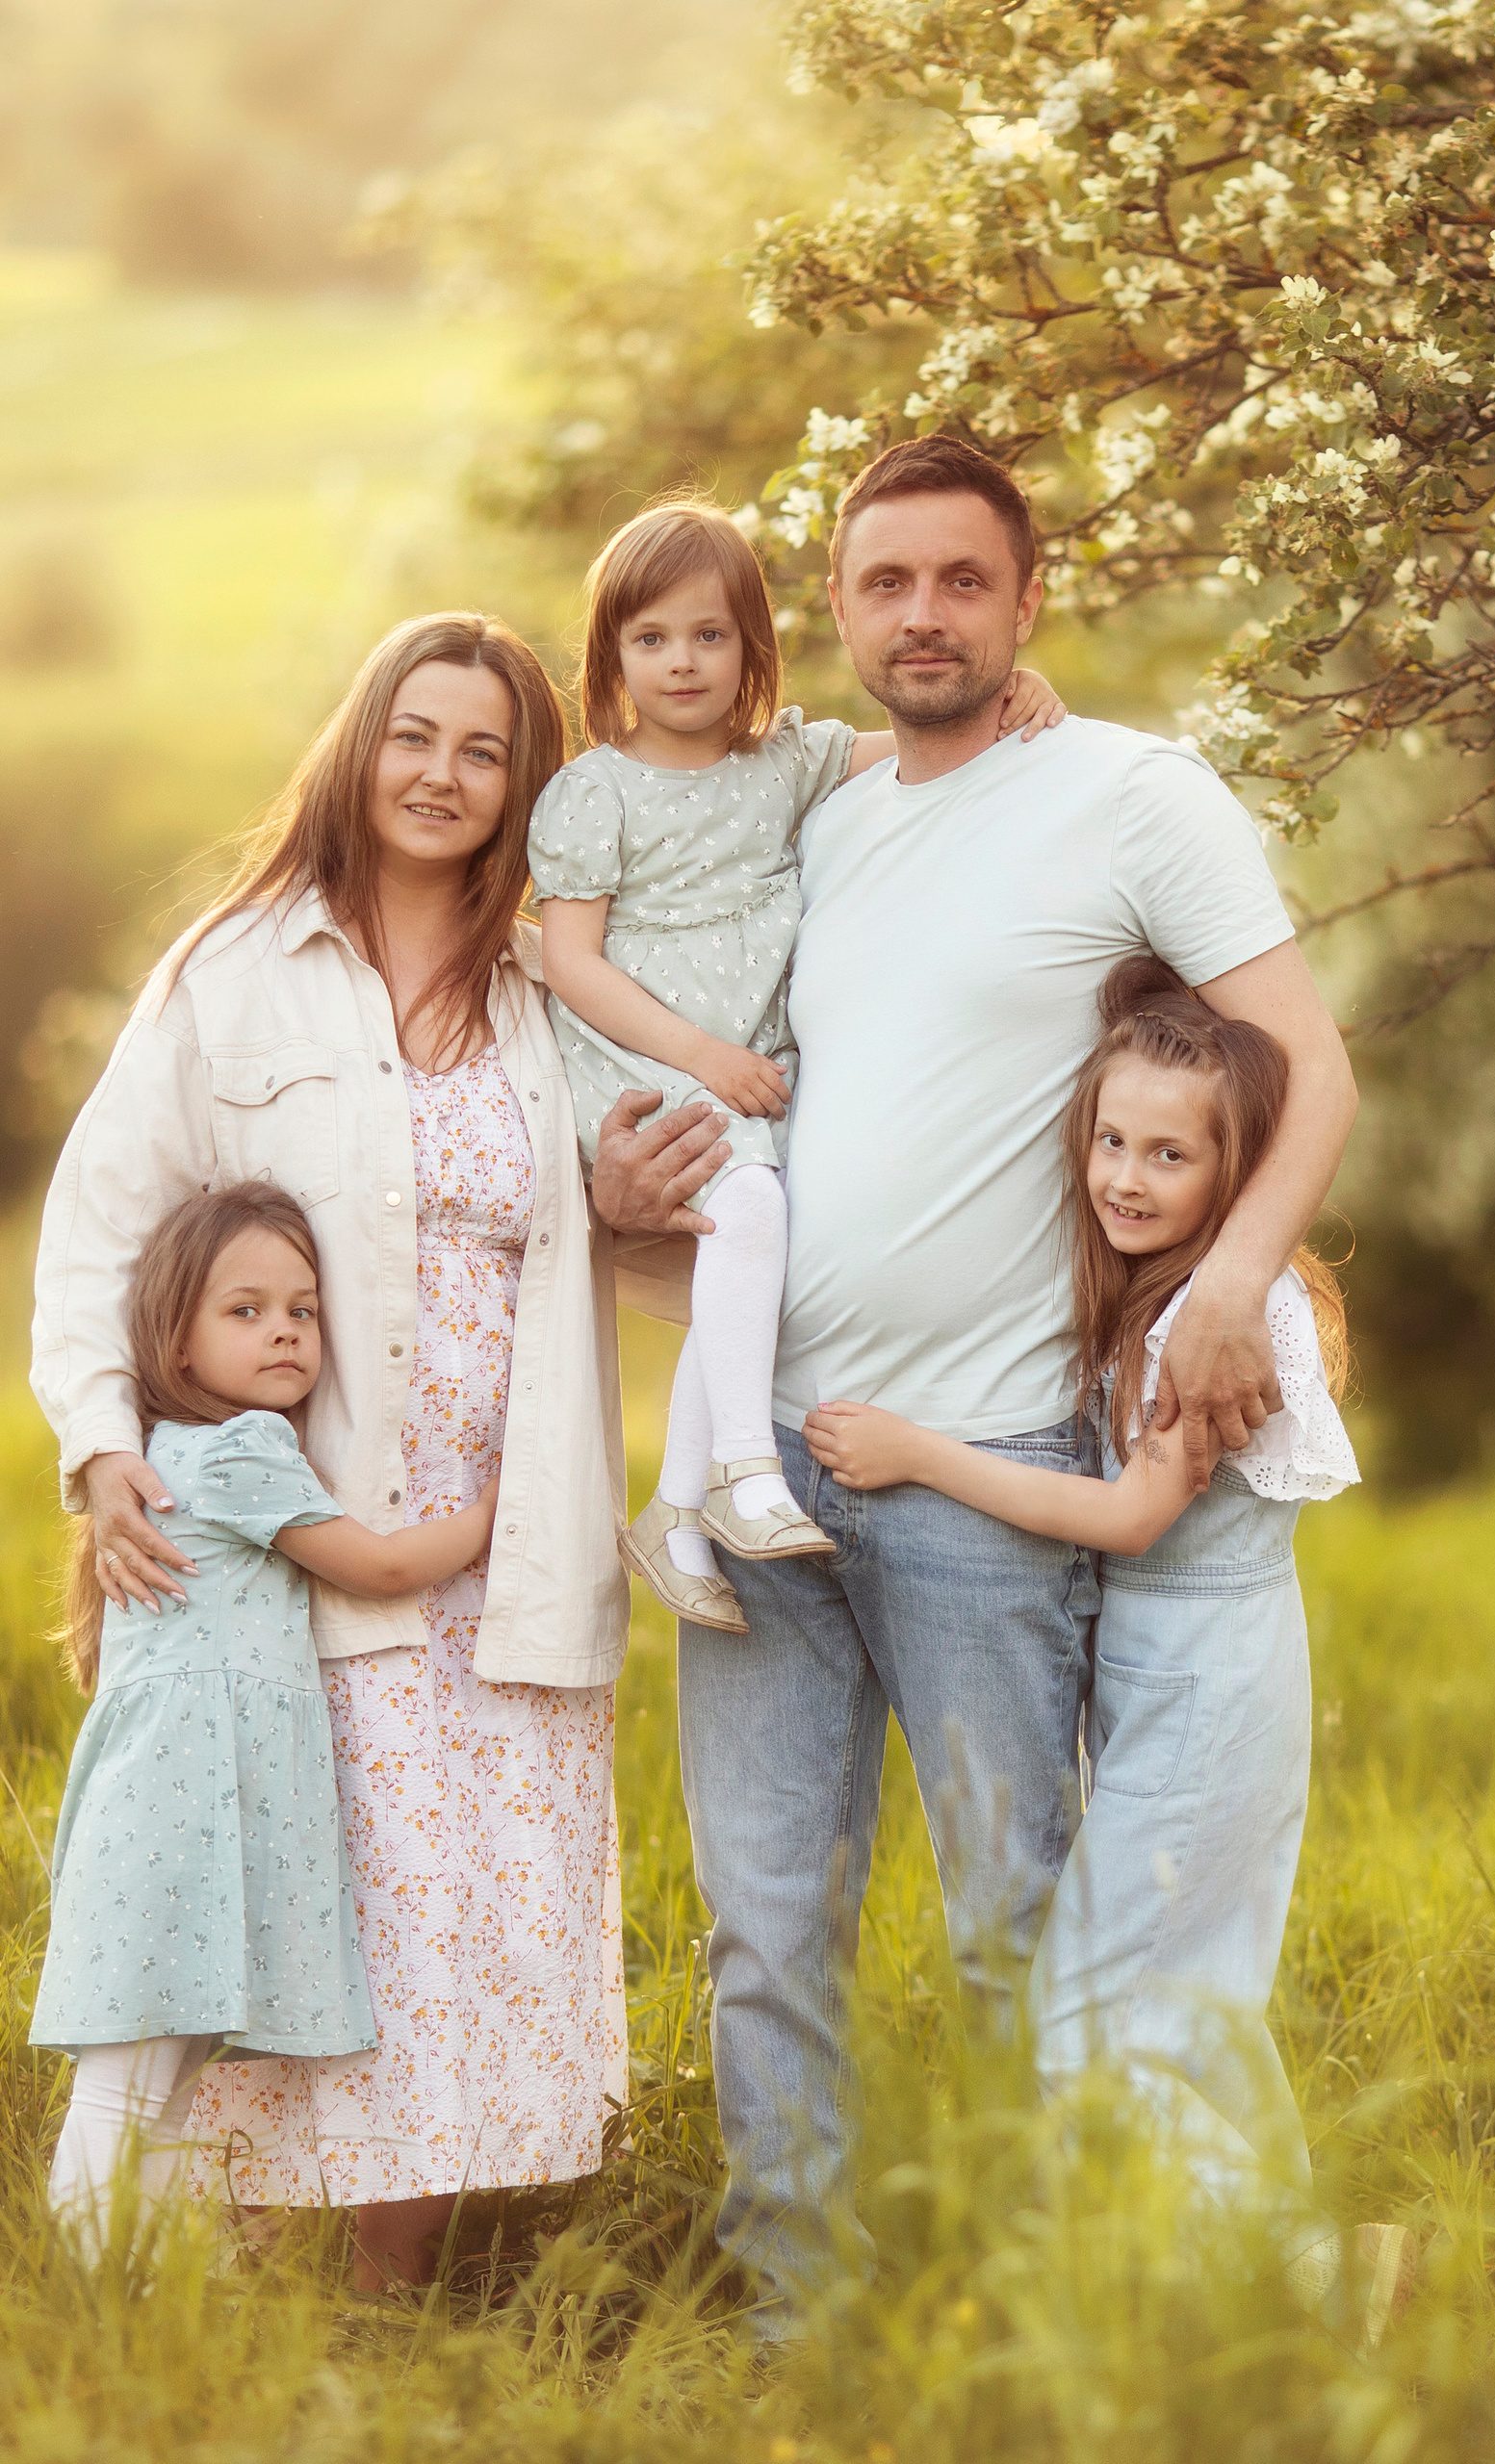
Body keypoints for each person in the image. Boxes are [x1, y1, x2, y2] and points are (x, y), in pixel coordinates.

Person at [587, 432, 1358, 2326]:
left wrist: (1232, 1284)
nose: (919, 613)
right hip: (766, 1452)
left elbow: (1308, 1067)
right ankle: (800, 2314)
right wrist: (616, 1198)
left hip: (987, 1467)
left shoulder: (1128, 791)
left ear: (1025, 601)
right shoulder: (814, 805)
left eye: (958, 580)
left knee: (1019, 1920)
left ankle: (1053, 2301)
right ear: (833, 611)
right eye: (881, 582)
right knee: (765, 1926)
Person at [32, 612, 637, 2293]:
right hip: (310, 1539)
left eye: (486, 748)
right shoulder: (235, 972)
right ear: (360, 747)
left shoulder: (557, 982)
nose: (442, 775)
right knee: (310, 1897)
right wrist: (98, 1451)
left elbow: (652, 1205)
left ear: (526, 784)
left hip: (510, 1536)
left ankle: (396, 2298)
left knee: (472, 1929)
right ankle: (209, 2283)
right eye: (414, 735)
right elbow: (96, 1231)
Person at [808, 958, 1412, 2339]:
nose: (1129, 1177)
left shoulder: (1218, 1317)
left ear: (1237, 1169)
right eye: (1113, 1141)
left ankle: (1302, 2284)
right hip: (1182, 1681)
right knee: (1190, 1999)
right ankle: (1270, 2274)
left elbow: (1134, 1517)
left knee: (1085, 2010)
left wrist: (919, 1456)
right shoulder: (1150, 1285)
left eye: (1173, 1154)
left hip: (1206, 1689)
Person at [529, 495, 1064, 1631]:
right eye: (653, 638)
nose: (683, 662)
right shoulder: (592, 793)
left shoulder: (782, 767)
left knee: (756, 1258)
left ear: (752, 648)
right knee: (756, 1209)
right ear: (612, 652)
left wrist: (1022, 693)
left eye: (710, 635)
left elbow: (916, 739)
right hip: (639, 1056)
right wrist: (701, 1055)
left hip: (744, 1070)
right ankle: (740, 1472)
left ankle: (675, 1513)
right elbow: (571, 963)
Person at [34, 1183, 503, 2258]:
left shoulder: (172, 1451)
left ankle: (131, 2295)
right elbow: (379, 1566)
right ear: (177, 1341)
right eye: (243, 1310)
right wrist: (493, 1511)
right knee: (128, 2085)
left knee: (151, 2084)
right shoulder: (236, 1449)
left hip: (173, 1812)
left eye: (302, 1307)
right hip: (181, 1816)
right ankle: (86, 2293)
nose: (285, 1328)